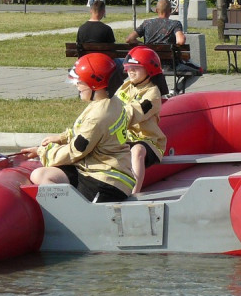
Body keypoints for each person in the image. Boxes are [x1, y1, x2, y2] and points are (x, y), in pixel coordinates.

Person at [20, 53, 135, 203]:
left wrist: (43, 152)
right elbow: (86, 133)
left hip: (106, 181)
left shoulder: (98, 116)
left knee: (41, 176)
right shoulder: (110, 102)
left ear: (95, 84)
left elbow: (76, 150)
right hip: (98, 170)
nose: (76, 85)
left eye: (80, 82)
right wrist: (62, 138)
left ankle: (69, 213)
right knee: (40, 175)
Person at [116, 47, 167, 194]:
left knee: (137, 150)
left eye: (136, 68)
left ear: (150, 70)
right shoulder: (126, 87)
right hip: (125, 137)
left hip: (148, 140)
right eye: (129, 67)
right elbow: (113, 104)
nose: (130, 71)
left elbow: (134, 113)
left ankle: (134, 193)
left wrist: (111, 118)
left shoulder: (152, 94)